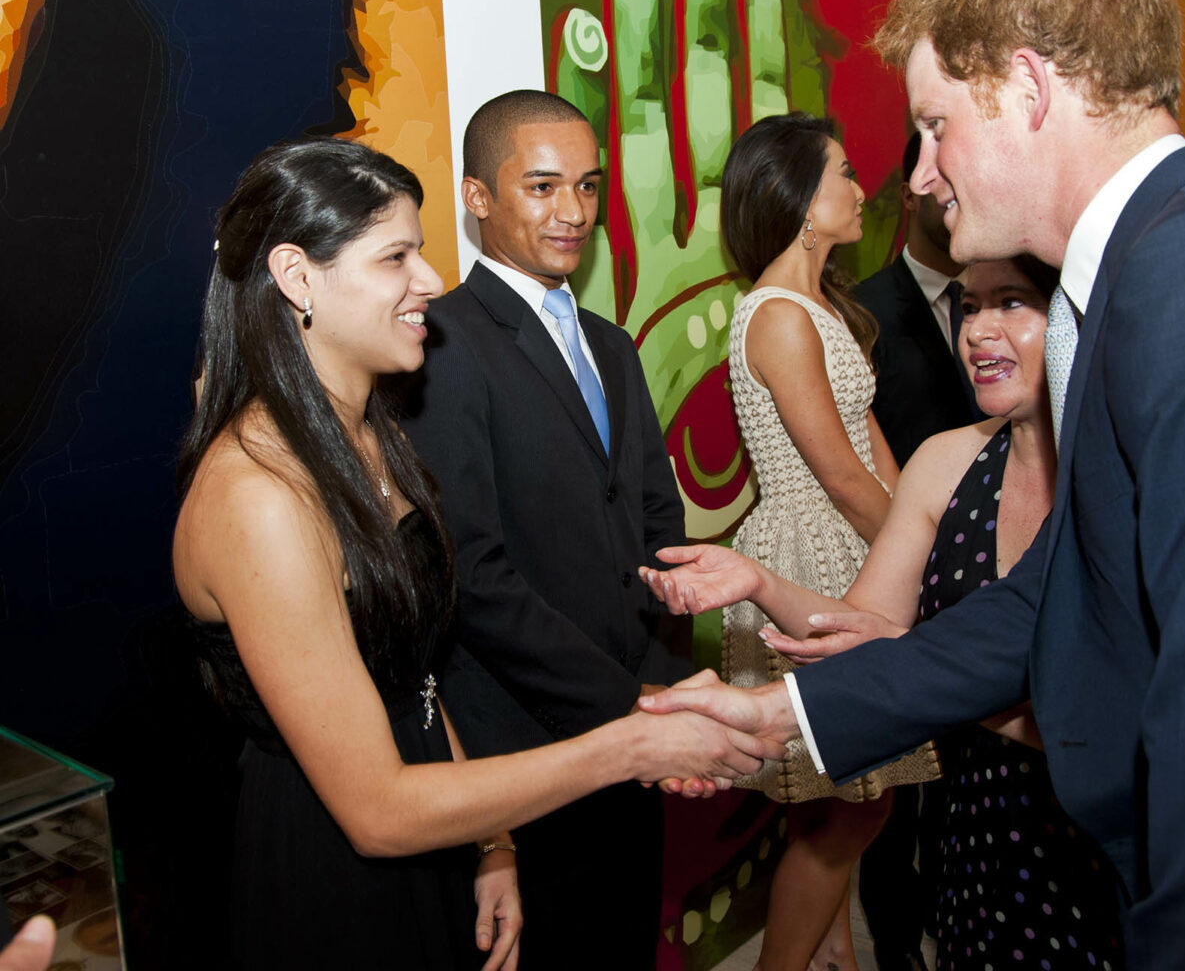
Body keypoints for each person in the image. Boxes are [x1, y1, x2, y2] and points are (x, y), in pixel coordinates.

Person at [641, 0, 1185, 968]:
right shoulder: (1161, 267)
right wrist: (777, 714)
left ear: (1028, 88)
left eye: (934, 127)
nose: (920, 177)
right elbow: (1058, 594)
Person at [175, 137, 779, 971]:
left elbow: (417, 676)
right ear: (297, 276)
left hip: (442, 820)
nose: (428, 281)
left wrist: (492, 844)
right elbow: (376, 809)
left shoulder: (374, 438)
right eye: (396, 257)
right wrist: (632, 743)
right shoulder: (260, 497)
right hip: (337, 873)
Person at [645, 255, 1123, 969]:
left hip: (1100, 836)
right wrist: (759, 582)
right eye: (968, 306)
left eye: (1013, 304)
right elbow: (860, 628)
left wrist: (926, 671)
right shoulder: (943, 462)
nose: (979, 332)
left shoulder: (1124, 474)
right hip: (975, 839)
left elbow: (1126, 711)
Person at [397, 90, 694, 968]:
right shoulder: (439, 344)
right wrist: (624, 704)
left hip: (634, 722)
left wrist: (659, 682)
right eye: (541, 186)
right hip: (521, 737)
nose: (573, 212)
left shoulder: (611, 343)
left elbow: (653, 516)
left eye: (589, 186)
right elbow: (473, 573)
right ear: (477, 197)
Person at [717, 112, 937, 971]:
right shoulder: (776, 313)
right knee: (849, 806)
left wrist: (913, 527)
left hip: (855, 543)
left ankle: (834, 957)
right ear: (803, 202)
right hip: (814, 553)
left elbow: (875, 450)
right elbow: (838, 475)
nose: (859, 188)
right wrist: (910, 556)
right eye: (843, 172)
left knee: (844, 800)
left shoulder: (819, 304)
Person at [851, 133, 983, 971]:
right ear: (911, 188)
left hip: (995, 594)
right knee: (890, 815)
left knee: (969, 813)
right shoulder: (863, 311)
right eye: (938, 180)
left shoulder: (1021, 296)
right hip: (900, 585)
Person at [854, 132, 984, 467]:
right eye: (943, 178)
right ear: (909, 196)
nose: (956, 194)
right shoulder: (864, 312)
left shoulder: (1010, 295)